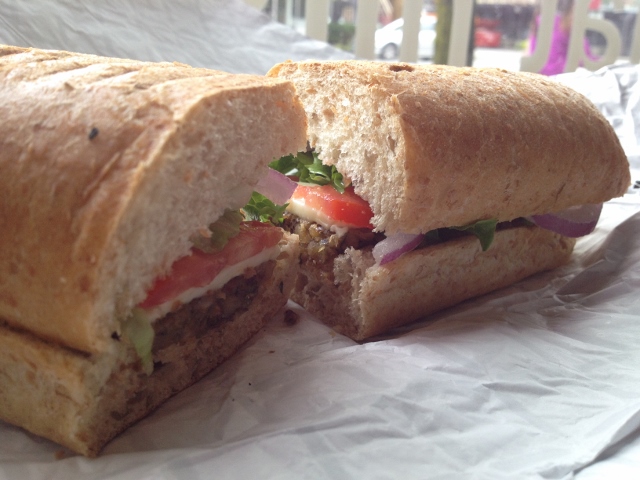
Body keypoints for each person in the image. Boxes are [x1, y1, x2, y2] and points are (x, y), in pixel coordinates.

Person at [529, 0, 594, 75]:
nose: (582, 19)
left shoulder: (576, 35)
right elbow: (548, 69)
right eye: (576, 12)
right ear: (566, 12)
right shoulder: (550, 31)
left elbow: (589, 59)